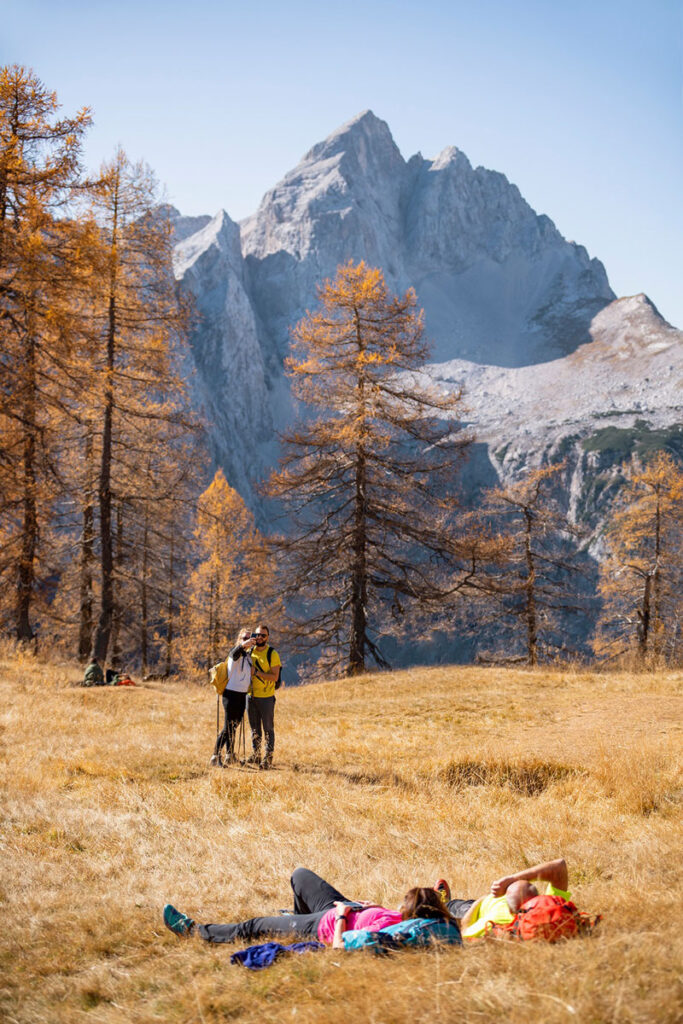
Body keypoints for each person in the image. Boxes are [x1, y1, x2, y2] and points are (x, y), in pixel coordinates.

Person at [163, 867, 460, 951]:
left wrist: (344, 917)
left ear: (414, 912)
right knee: (300, 875)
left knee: (252, 927)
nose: (399, 904)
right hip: (344, 907)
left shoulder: (392, 932)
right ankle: (295, 919)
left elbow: (340, 947)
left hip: (327, 925)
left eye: (403, 902)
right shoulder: (400, 918)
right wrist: (369, 906)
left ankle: (194, 932)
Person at [436, 857, 571, 941]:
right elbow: (559, 866)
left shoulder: (493, 924)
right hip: (488, 906)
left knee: (453, 910)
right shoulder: (548, 907)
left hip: (476, 911)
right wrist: (513, 879)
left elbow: (465, 931)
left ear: (511, 910)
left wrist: (481, 901)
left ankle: (442, 903)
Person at [210, 627, 257, 768]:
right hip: (230, 694)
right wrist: (244, 645)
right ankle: (215, 756)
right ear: (239, 640)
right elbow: (235, 652)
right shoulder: (234, 654)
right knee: (228, 727)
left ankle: (230, 755)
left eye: (250, 638)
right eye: (244, 638)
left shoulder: (248, 657)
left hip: (242, 695)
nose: (247, 640)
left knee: (234, 726)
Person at [246, 624, 282, 770]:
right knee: (254, 728)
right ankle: (256, 755)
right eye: (257, 635)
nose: (259, 637)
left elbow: (274, 677)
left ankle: (268, 757)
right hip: (250, 695)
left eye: (263, 635)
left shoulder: (272, 654)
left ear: (268, 637)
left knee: (268, 728)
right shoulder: (249, 652)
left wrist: (256, 673)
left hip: (266, 697)